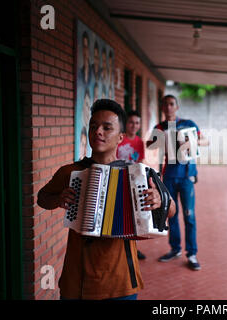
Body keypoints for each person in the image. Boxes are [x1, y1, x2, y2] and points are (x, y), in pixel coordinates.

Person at [37, 99, 175, 300]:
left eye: (106, 128)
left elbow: (171, 209)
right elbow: (42, 197)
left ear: (120, 137)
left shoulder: (137, 174)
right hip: (78, 280)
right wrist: (58, 198)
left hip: (120, 281)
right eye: (93, 126)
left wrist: (159, 200)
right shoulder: (71, 172)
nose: (98, 131)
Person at [147, 94, 207, 271]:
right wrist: (160, 141)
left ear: (177, 106)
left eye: (171, 104)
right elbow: (149, 145)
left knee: (189, 215)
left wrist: (192, 142)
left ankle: (192, 253)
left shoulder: (189, 124)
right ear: (162, 108)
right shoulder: (159, 127)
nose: (168, 107)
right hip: (169, 175)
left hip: (187, 175)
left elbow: (205, 140)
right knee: (170, 213)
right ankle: (175, 249)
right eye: (165, 104)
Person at [116, 110, 146, 260]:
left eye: (137, 123)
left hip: (132, 182)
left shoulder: (140, 142)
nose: (134, 125)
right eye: (131, 122)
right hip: (117, 180)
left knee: (134, 216)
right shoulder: (119, 139)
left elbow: (140, 163)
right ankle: (118, 246)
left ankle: (133, 247)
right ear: (126, 123)